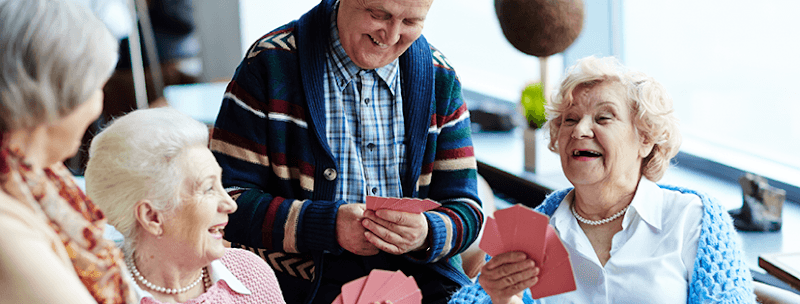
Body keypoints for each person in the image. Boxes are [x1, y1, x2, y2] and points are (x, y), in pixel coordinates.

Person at [210, 0, 484, 303]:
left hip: (425, 286)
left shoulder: (439, 77)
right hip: (301, 289)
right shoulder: (268, 64)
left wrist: (427, 233)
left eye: (410, 22)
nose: (392, 36)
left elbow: (466, 209)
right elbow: (225, 202)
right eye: (379, 15)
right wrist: (326, 226)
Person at [449, 56, 756, 304]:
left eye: (603, 118)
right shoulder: (528, 232)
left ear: (645, 138)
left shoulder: (695, 219)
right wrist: (499, 300)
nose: (580, 130)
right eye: (569, 119)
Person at [0, 0, 135, 303]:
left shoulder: (38, 177)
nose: (98, 104)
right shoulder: (8, 226)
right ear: (57, 94)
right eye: (97, 86)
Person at [84, 108, 287, 304]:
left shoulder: (250, 275)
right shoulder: (91, 294)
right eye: (208, 189)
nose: (230, 204)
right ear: (152, 217)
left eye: (221, 184)